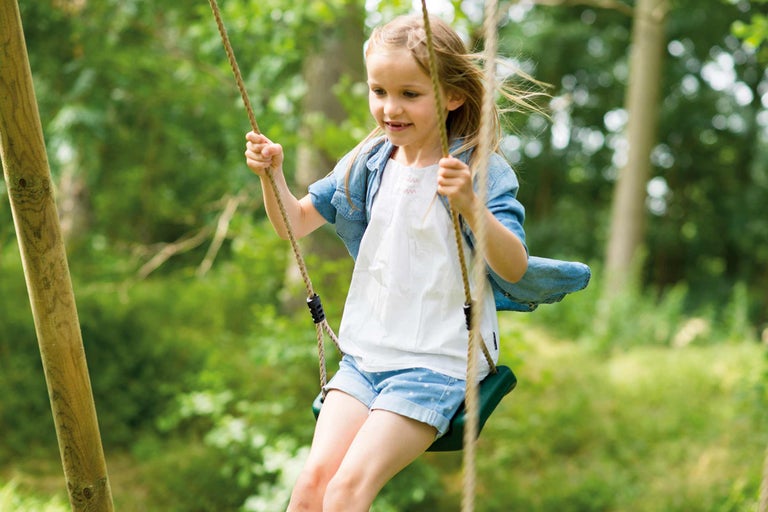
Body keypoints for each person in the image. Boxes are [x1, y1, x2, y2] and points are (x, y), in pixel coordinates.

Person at [245, 13, 537, 512]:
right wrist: (272, 176)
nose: (389, 108)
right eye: (378, 91)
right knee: (311, 487)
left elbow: (514, 267)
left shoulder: (479, 170)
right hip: (364, 358)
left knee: (345, 492)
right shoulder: (368, 162)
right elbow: (292, 223)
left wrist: (470, 204)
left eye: (409, 94)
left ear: (452, 95)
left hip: (436, 365)